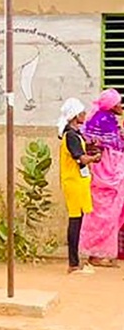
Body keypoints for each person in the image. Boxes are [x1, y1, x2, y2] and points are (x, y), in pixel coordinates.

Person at [80, 87, 124, 268]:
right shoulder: (104, 121)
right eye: (119, 103)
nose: (121, 106)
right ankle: (96, 254)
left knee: (106, 214)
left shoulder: (107, 120)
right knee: (104, 214)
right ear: (111, 105)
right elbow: (105, 148)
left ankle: (100, 253)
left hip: (108, 173)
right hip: (106, 173)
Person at [57, 98, 99, 274]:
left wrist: (90, 146)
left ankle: (75, 261)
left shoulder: (75, 134)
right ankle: (73, 263)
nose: (84, 115)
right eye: (82, 113)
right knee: (75, 220)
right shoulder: (71, 136)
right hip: (73, 182)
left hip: (77, 181)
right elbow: (80, 158)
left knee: (78, 218)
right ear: (75, 116)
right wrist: (94, 158)